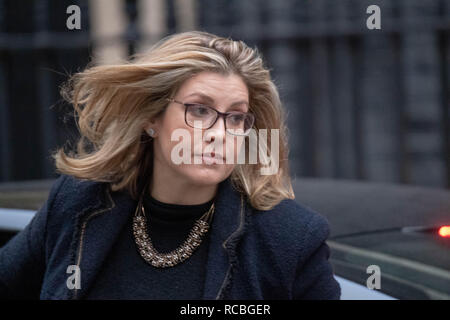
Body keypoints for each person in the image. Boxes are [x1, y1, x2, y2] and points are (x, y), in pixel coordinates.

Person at [0, 31, 340, 300]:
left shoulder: (289, 238)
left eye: (236, 117)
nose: (220, 134)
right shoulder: (76, 203)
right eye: (200, 110)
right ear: (152, 118)